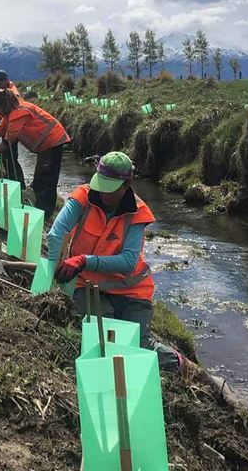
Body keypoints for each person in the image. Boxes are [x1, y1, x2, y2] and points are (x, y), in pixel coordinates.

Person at [47, 151, 187, 372]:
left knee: (136, 346)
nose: (103, 193)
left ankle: (181, 364)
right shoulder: (83, 197)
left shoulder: (138, 213)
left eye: (111, 188)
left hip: (131, 291)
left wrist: (85, 260)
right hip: (88, 287)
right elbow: (56, 234)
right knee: (104, 340)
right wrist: (54, 273)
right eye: (101, 184)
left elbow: (128, 262)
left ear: (126, 185)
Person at [0, 89, 69, 217]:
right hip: (45, 144)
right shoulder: (10, 113)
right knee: (40, 178)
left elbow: (7, 143)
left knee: (46, 179)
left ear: (3, 105)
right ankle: (40, 210)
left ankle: (45, 214)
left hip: (52, 141)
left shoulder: (18, 114)